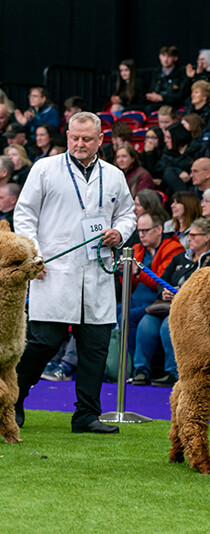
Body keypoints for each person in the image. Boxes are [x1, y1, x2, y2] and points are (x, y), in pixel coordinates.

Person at [14, 112, 136, 434]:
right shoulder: (45, 168)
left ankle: (86, 415)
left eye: (87, 139)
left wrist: (119, 233)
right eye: (75, 138)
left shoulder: (114, 175)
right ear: (67, 136)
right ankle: (12, 401)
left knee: (95, 346)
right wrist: (34, 256)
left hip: (96, 272)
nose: (80, 144)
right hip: (53, 271)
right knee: (42, 342)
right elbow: (24, 215)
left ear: (100, 140)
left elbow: (127, 213)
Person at [130, 217, 210, 387]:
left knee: (169, 325)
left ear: (207, 237)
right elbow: (161, 280)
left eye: (195, 235)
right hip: (167, 306)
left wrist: (183, 294)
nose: (189, 238)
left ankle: (173, 372)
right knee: (146, 322)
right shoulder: (181, 257)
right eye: (189, 235)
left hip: (194, 311)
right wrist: (164, 291)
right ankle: (141, 371)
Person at [126, 211, 184, 355]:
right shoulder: (137, 249)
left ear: (158, 230)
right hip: (136, 299)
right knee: (115, 312)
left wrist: (138, 272)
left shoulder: (173, 249)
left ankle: (132, 366)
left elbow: (161, 281)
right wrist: (124, 272)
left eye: (145, 230)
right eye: (139, 231)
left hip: (155, 301)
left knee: (127, 317)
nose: (141, 235)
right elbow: (129, 286)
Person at [145, 45, 190, 113]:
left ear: (175, 58)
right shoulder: (156, 73)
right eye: (163, 56)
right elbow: (151, 89)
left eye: (169, 56)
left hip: (173, 105)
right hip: (155, 103)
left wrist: (162, 98)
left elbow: (181, 95)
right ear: (160, 56)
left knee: (150, 109)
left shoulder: (181, 73)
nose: (165, 60)